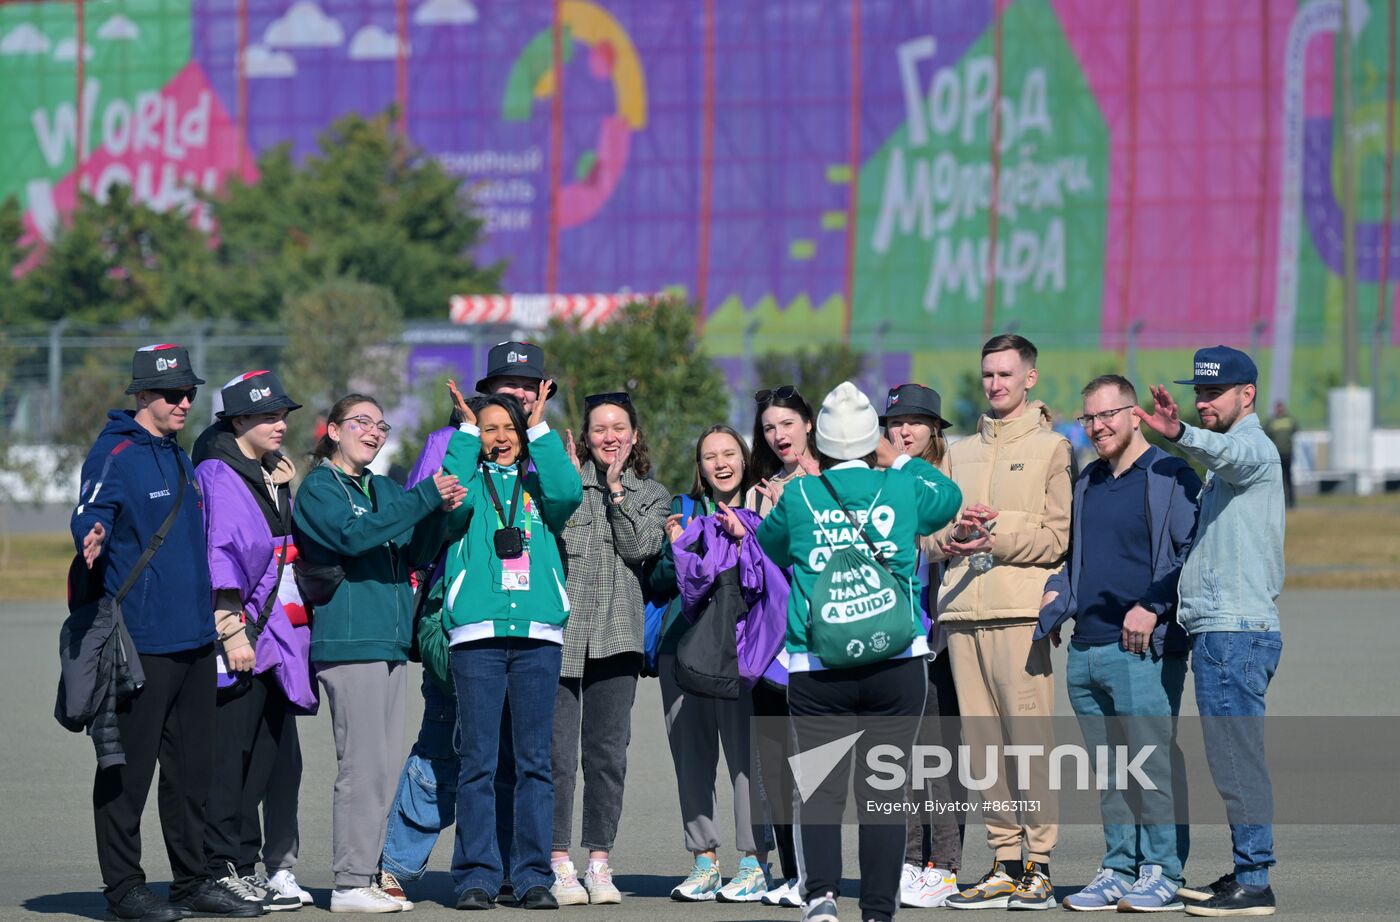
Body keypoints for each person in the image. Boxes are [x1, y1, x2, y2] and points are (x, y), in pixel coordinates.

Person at [753, 381, 962, 922]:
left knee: (820, 789)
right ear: (873, 441)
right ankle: (876, 910)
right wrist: (899, 462)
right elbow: (949, 501)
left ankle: (820, 897)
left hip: (817, 664)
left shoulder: (799, 495)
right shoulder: (900, 486)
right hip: (897, 660)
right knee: (884, 794)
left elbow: (771, 545)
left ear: (817, 445)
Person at [72, 344, 261, 920]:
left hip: (194, 641)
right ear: (145, 395)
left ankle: (191, 882)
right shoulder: (117, 452)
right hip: (141, 644)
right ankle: (124, 887)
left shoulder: (178, 456)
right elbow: (91, 507)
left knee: (191, 775)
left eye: (190, 393)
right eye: (175, 393)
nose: (186, 402)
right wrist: (92, 532)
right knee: (127, 771)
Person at [380, 341, 558, 902]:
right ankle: (401, 867)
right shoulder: (447, 441)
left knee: (519, 758)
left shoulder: (542, 452)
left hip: (526, 622)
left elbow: (564, 505)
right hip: (456, 621)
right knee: (446, 747)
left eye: (528, 387)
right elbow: (426, 526)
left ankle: (512, 872)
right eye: (508, 386)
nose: (519, 396)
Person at [1033, 374, 1201, 912]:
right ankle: (1118, 867)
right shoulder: (1088, 482)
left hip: (1143, 649)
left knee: (1149, 762)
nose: (1099, 426)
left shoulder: (1171, 475)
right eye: (1089, 418)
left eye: (1108, 415)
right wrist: (1058, 601)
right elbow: (1075, 558)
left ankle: (1162, 871)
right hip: (1087, 649)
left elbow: (1191, 555)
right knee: (1109, 771)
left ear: (1134, 415)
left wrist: (1152, 606)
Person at [292, 394, 464, 914]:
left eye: (380, 424)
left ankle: (364, 875)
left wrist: (438, 510)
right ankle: (348, 883)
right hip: (349, 644)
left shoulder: (386, 487)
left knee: (383, 768)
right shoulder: (321, 486)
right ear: (334, 430)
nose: (372, 431)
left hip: (390, 643)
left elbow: (414, 549)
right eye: (360, 421)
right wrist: (422, 499)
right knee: (362, 768)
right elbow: (353, 536)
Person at [1136, 346, 1285, 918]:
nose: (1203, 403)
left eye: (1213, 393)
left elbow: (1228, 453)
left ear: (1246, 395)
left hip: (1235, 632)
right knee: (1231, 757)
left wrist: (1179, 433)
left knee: (1234, 759)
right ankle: (1247, 870)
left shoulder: (1253, 450)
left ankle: (1255, 882)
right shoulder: (1229, 463)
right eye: (1198, 393)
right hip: (1224, 631)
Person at [929, 334, 1072, 911]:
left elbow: (1058, 536)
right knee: (985, 748)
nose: (995, 384)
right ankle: (1003, 861)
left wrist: (999, 537)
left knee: (1028, 745)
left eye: (1006, 374)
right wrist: (956, 536)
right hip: (963, 612)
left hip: (1019, 613)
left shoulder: (1054, 448)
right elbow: (927, 538)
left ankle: (1039, 866)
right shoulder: (957, 453)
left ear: (1030, 378)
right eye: (988, 374)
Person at [439, 382, 583, 910]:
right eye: (489, 429)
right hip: (476, 634)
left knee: (534, 763)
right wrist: (466, 430)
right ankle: (477, 874)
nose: (500, 438)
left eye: (509, 429)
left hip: (537, 635)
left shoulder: (540, 487)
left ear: (523, 438)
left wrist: (541, 428)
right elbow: (447, 493)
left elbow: (571, 493)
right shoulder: (471, 485)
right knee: (478, 761)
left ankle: (531, 875)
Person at [193, 371, 317, 913]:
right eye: (268, 416)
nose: (280, 424)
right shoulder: (219, 474)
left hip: (278, 642)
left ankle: (243, 866)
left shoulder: (266, 474)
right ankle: (219, 866)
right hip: (242, 637)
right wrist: (231, 628)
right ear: (238, 420)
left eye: (283, 415)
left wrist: (280, 486)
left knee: (263, 757)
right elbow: (220, 551)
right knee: (230, 758)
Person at [654, 425, 785, 903]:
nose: (720, 463)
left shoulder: (766, 506)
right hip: (684, 649)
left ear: (745, 458)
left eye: (729, 453)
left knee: (748, 758)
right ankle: (704, 860)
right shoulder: (682, 509)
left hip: (744, 651)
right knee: (691, 758)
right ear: (700, 466)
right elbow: (658, 578)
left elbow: (778, 569)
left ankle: (754, 860)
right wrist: (680, 546)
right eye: (710, 456)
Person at [550, 392, 670, 905]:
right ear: (583, 437)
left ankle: (600, 861)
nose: (610, 437)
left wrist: (617, 489)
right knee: (555, 755)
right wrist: (566, 478)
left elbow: (641, 546)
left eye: (619, 427)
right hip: (560, 634)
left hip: (619, 635)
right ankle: (556, 860)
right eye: (599, 428)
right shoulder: (561, 487)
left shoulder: (651, 494)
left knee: (607, 756)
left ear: (635, 435)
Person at [881, 384, 964, 909]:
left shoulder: (946, 475)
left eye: (915, 421)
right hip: (898, 639)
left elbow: (947, 532)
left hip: (945, 638)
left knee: (941, 756)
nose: (904, 430)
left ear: (935, 427)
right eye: (896, 422)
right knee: (904, 759)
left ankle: (946, 864)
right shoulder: (882, 478)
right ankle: (911, 859)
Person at [744, 385, 819, 907]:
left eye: (787, 423)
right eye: (770, 427)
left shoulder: (833, 483)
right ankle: (791, 875)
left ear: (808, 424)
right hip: (769, 644)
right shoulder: (759, 490)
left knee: (813, 765)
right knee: (774, 765)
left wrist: (785, 517)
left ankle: (817, 875)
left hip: (818, 642)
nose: (779, 435)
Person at [1263, 401, 1297, 509]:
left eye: (1281, 407)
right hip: (1276, 455)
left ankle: (1291, 503)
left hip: (1288, 453)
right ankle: (1280, 502)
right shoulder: (1271, 421)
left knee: (1289, 479)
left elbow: (1296, 430)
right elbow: (1265, 434)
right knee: (1278, 480)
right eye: (1278, 408)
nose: (1280, 410)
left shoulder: (1290, 420)